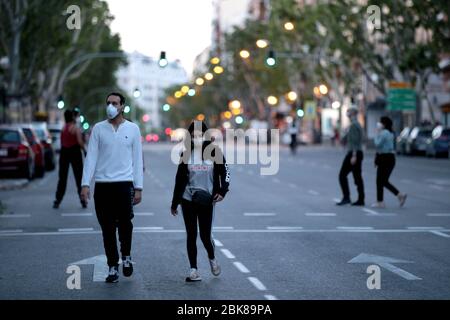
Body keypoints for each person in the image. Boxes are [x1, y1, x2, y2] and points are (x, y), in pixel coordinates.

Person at [80, 92, 143, 283]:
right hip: (103, 187)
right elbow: (90, 158)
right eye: (108, 103)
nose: (111, 106)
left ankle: (127, 257)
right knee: (107, 229)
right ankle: (112, 266)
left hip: (124, 186)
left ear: (122, 106)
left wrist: (138, 187)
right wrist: (85, 184)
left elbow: (137, 159)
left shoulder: (133, 129)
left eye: (115, 103)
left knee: (125, 225)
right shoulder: (98, 129)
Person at [171, 121, 230, 282]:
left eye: (199, 135)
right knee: (191, 234)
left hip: (206, 199)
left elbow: (226, 172)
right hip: (188, 199)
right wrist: (175, 202)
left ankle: (212, 257)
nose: (196, 138)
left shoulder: (215, 152)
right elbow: (179, 179)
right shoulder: (186, 154)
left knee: (204, 236)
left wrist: (222, 191)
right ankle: (193, 270)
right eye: (193, 135)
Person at [53, 109, 86, 209]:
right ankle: (83, 200)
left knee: (62, 177)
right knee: (79, 177)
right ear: (72, 117)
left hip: (64, 153)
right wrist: (84, 150)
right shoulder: (75, 128)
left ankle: (57, 200)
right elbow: (80, 142)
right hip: (75, 152)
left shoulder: (63, 128)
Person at [372, 116, 407, 208]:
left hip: (385, 158)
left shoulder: (384, 133)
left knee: (381, 181)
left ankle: (381, 201)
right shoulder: (390, 133)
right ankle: (399, 196)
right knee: (382, 181)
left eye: (380, 122)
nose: (378, 124)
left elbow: (377, 144)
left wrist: (376, 133)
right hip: (389, 158)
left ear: (384, 124)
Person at [336, 107, 365, 206]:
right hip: (356, 152)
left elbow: (355, 142)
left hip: (354, 153)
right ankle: (360, 199)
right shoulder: (356, 124)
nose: (347, 113)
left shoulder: (354, 125)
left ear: (353, 113)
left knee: (343, 175)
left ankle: (347, 197)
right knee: (357, 177)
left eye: (348, 112)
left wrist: (354, 155)